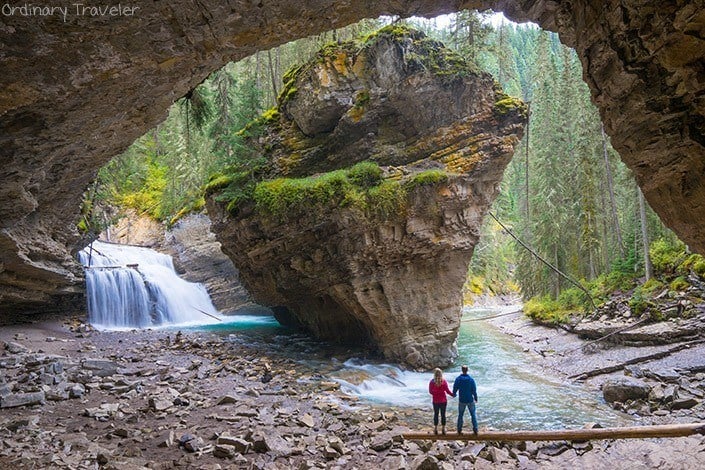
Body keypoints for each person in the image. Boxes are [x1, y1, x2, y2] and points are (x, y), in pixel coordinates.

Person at [453, 364, 478, 435]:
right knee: (473, 414)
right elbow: (474, 390)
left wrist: (454, 394)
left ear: (462, 370)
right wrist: (476, 398)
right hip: (470, 399)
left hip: (462, 400)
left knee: (460, 415)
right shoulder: (471, 379)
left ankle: (459, 429)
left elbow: (455, 388)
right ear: (467, 370)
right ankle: (475, 429)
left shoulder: (458, 379)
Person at [428, 368, 454, 435]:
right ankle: (443, 429)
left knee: (436, 414)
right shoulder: (444, 382)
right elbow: (447, 391)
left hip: (435, 401)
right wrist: (453, 394)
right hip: (443, 401)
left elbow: (430, 392)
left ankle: (436, 429)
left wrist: (436, 392)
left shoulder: (432, 382)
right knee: (443, 415)